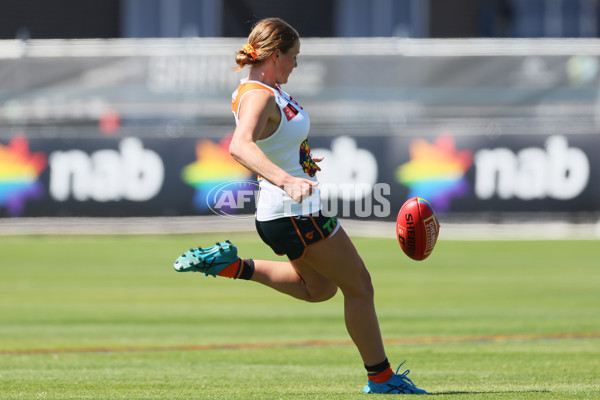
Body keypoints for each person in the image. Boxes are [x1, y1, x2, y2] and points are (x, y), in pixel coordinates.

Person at [173, 17, 427, 395]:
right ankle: (382, 379)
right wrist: (287, 179)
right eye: (294, 56)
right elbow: (240, 146)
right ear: (276, 55)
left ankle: (233, 265)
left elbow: (275, 137)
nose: (297, 64)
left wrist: (298, 159)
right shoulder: (258, 94)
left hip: (285, 213)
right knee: (360, 287)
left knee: (319, 289)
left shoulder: (267, 88)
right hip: (293, 211)